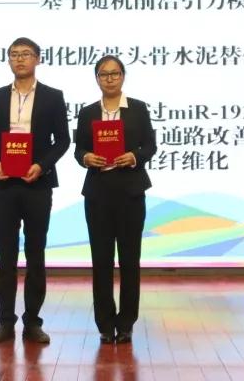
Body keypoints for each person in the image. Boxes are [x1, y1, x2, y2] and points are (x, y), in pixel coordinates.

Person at [0, 37, 70, 344]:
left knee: (35, 254)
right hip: (4, 185)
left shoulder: (53, 96)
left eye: (26, 54)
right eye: (14, 54)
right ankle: (5, 321)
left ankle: (33, 322)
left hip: (37, 184)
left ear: (37, 59)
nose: (19, 59)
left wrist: (42, 165)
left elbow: (63, 140)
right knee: (6, 257)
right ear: (8, 60)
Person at [74, 55, 156, 344]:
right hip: (98, 193)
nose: (109, 79)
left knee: (130, 260)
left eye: (115, 73)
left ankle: (126, 323)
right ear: (97, 78)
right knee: (101, 260)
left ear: (123, 76)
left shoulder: (138, 108)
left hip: (130, 192)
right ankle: (105, 324)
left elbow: (150, 146)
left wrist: (134, 156)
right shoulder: (88, 112)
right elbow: (78, 149)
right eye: (103, 74)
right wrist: (86, 157)